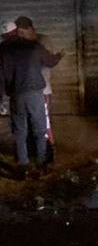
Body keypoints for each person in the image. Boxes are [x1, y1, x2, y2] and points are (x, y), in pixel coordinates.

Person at [0, 21, 62, 176]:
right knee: (40, 129)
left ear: (5, 36)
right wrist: (59, 55)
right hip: (35, 93)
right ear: (17, 32)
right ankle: (42, 162)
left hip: (16, 95)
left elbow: (0, 78)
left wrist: (0, 100)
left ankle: (23, 165)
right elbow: (50, 62)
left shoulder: (1, 50)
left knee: (20, 131)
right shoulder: (33, 46)